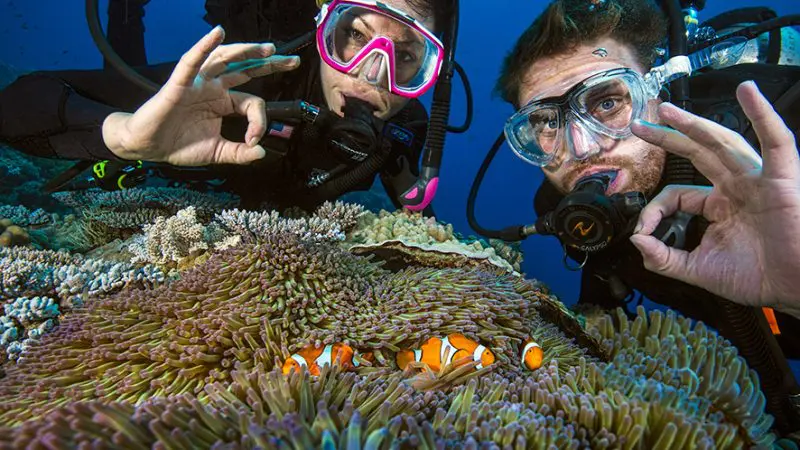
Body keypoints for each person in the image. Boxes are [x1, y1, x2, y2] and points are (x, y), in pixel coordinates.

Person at [493, 0, 800, 436]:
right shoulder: (563, 209)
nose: (581, 149)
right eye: (545, 123)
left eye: (606, 104)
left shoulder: (783, 141)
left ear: (658, 92)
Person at [0, 0, 453, 213]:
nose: (371, 75)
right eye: (354, 35)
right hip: (162, 177)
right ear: (323, 27)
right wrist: (122, 136)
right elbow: (19, 103)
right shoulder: (250, 77)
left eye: (407, 56)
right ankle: (126, 9)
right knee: (131, 75)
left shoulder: (404, 129)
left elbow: (422, 228)